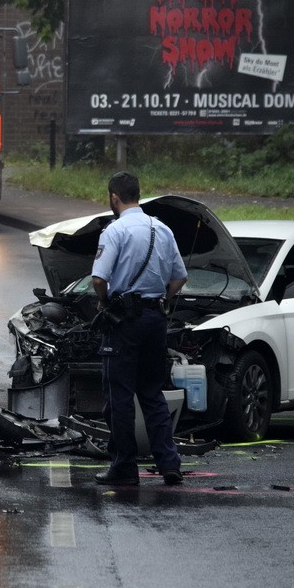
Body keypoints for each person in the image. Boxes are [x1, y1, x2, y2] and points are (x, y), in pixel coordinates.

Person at [91, 171, 189, 487]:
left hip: (124, 323)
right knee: (152, 392)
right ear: (138, 195)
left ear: (114, 198)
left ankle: (124, 466)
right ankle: (169, 463)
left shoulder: (114, 231)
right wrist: (160, 301)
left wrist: (105, 304)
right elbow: (179, 277)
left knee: (118, 395)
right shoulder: (162, 229)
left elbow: (98, 279)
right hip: (155, 320)